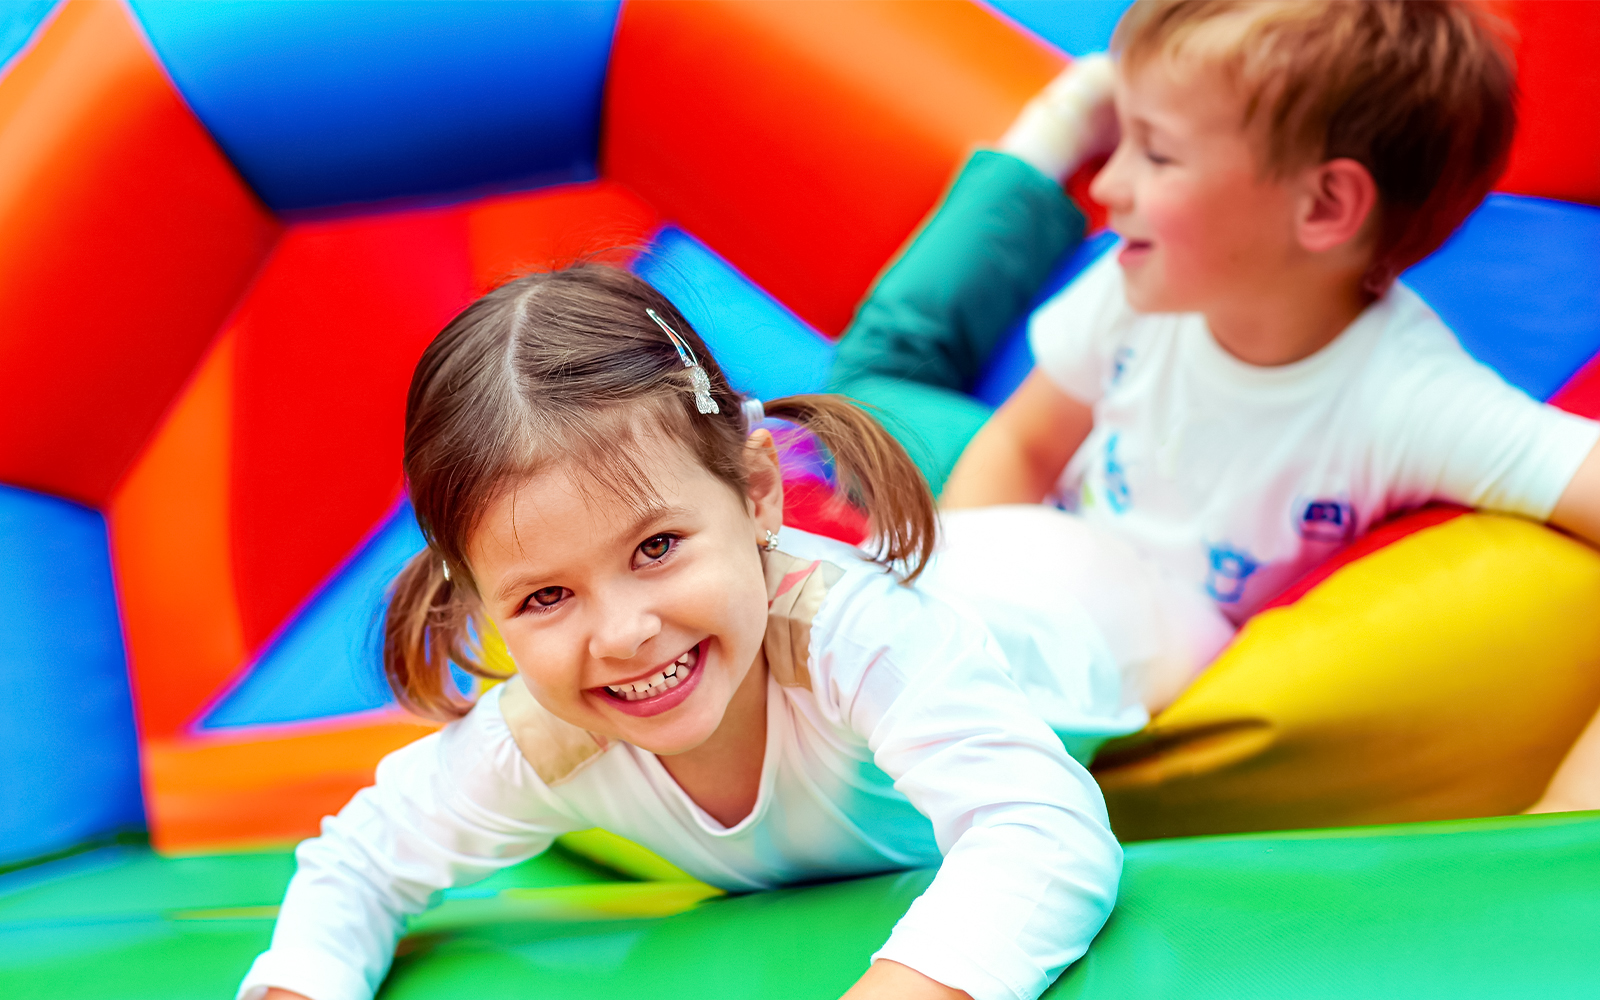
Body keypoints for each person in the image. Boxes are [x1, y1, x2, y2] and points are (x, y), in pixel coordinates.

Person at [238, 264, 1144, 1000]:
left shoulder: (853, 638)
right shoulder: (548, 737)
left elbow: (1040, 828)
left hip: (1081, 594)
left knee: (925, 401)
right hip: (948, 571)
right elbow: (359, 865)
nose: (625, 634)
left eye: (657, 547)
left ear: (758, 494)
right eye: (546, 598)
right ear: (479, 604)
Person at [828, 0, 1600, 811]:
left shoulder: (1407, 400)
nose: (1114, 185)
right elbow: (1026, 444)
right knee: (869, 384)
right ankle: (1042, 150)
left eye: (1156, 153)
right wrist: (949, 592)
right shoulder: (1147, 286)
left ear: (1326, 207)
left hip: (1127, 626)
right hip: (1048, 522)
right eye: (1126, 142)